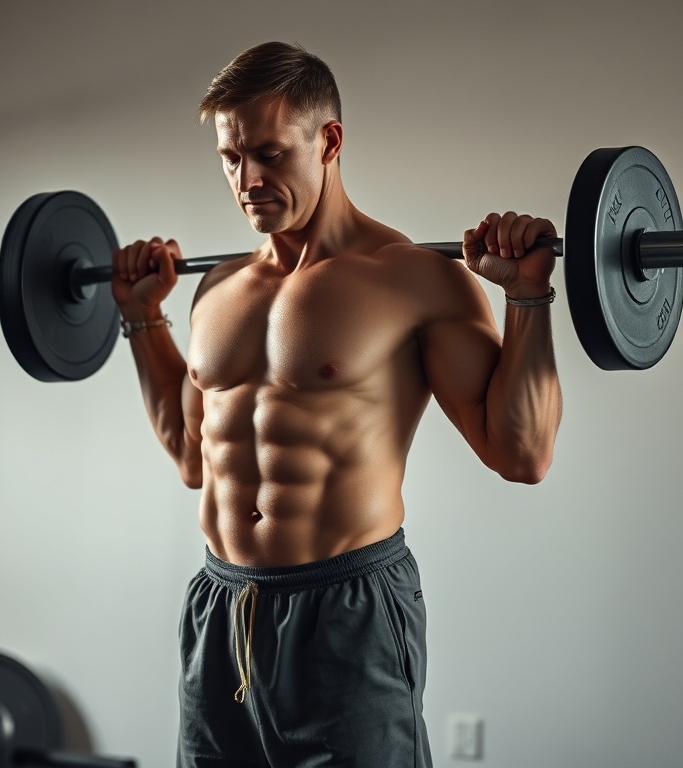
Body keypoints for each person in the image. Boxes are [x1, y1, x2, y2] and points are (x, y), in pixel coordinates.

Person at [111, 41, 562, 768]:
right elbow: (193, 459)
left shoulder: (414, 279)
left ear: (329, 140)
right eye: (230, 158)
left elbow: (523, 454)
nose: (247, 181)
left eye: (269, 154)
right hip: (221, 608)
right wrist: (142, 320)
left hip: (345, 612)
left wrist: (527, 297)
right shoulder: (217, 289)